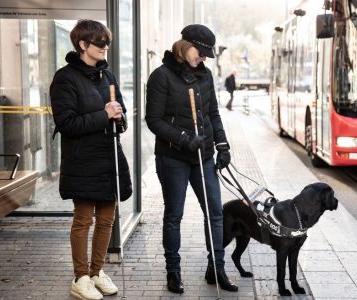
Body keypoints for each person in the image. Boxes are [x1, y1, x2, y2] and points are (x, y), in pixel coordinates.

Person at [144, 24, 237, 294]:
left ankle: (216, 268)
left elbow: (213, 114)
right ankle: (173, 271)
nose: (204, 58)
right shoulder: (161, 76)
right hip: (173, 157)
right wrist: (184, 138)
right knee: (174, 214)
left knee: (216, 212)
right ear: (185, 46)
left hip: (204, 155)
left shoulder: (205, 76)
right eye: (201, 52)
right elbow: (154, 120)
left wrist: (222, 144)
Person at [50, 19, 132, 300]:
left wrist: (120, 119)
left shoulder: (107, 76)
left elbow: (120, 115)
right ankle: (80, 277)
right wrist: (104, 115)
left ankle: (97, 273)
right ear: (83, 44)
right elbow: (67, 124)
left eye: (107, 41)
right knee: (83, 219)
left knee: (107, 220)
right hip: (82, 160)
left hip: (108, 157)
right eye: (100, 42)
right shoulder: (65, 78)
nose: (105, 46)